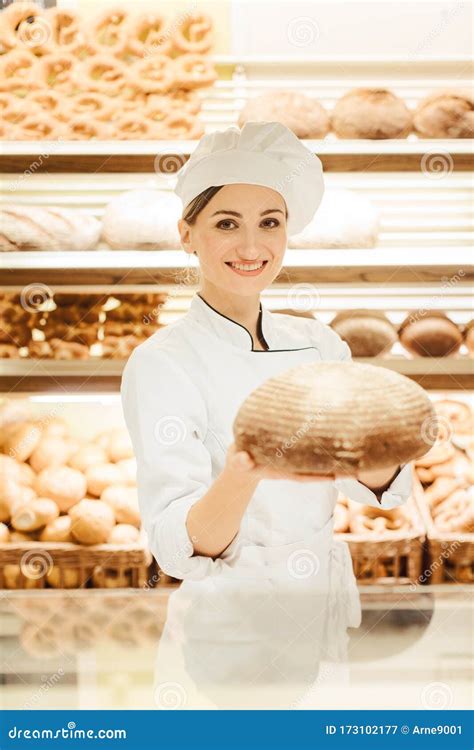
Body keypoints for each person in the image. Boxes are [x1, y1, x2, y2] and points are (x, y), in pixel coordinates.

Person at [120, 122, 413, 708]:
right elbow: (178, 545)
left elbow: (377, 490)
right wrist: (243, 470)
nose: (251, 247)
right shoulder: (162, 362)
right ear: (187, 234)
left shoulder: (320, 343)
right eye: (226, 223)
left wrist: (390, 442)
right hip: (224, 631)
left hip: (320, 619)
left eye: (269, 223)